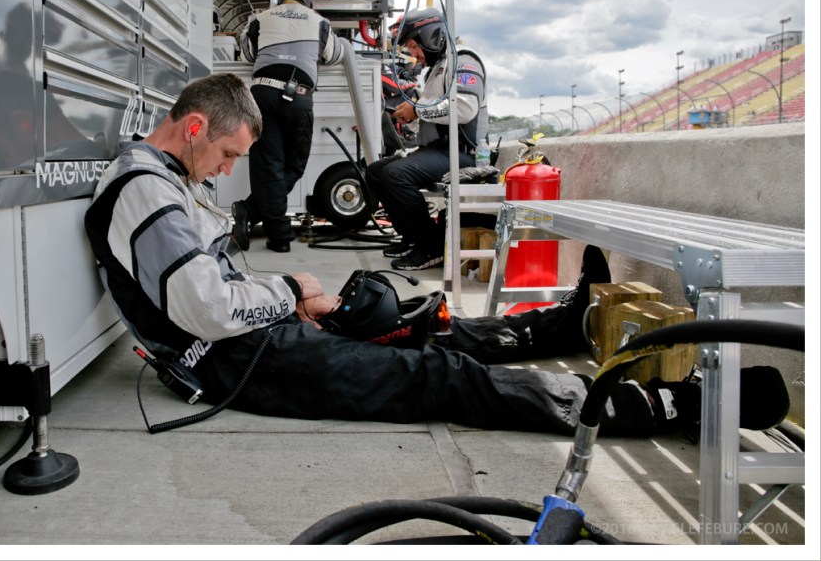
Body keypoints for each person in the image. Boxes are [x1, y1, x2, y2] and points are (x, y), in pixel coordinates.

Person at [84, 73, 789, 438]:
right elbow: (205, 308)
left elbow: (212, 288)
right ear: (195, 125)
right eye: (228, 155)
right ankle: (667, 407)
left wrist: (290, 296)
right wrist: (290, 284)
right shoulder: (145, 188)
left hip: (256, 333)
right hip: (234, 360)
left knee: (418, 318)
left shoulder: (166, 179)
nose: (223, 170)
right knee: (438, 375)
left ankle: (558, 327)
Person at [365, 6, 487, 271]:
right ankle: (412, 238)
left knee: (396, 175)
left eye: (413, 47)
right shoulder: (436, 70)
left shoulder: (464, 62)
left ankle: (431, 247)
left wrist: (418, 109)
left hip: (462, 153)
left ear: (429, 36)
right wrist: (413, 116)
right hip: (437, 151)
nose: (415, 55)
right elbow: (438, 110)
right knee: (376, 172)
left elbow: (465, 108)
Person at [230, 0, 344, 253]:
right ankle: (278, 235)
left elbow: (246, 54)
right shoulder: (321, 23)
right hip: (301, 97)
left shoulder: (259, 18)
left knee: (268, 165)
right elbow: (334, 56)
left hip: (263, 94)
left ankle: (248, 210)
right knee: (293, 166)